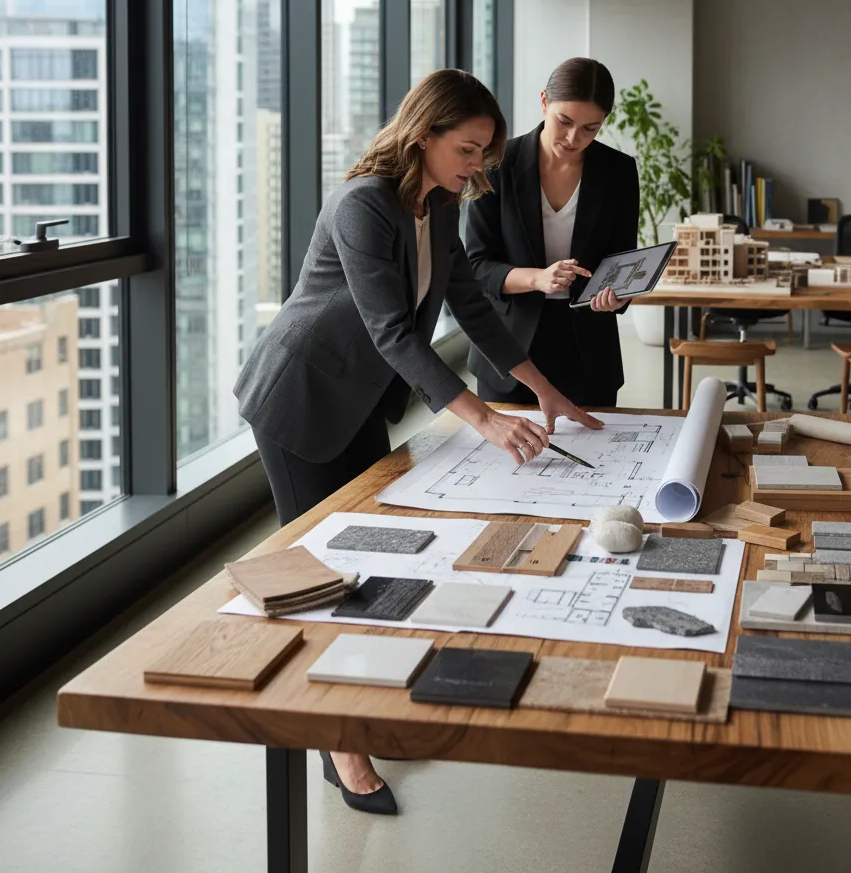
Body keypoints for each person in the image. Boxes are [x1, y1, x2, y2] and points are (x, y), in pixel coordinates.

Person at [233, 69, 601, 815]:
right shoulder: (364, 203)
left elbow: (473, 306)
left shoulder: (435, 204)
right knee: (317, 576)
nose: (476, 166)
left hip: (358, 396)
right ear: (423, 133)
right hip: (302, 393)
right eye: (466, 148)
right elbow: (392, 330)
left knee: (373, 551)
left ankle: (361, 704)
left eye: (484, 153)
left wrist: (541, 389)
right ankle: (342, 748)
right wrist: (485, 417)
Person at [465, 57, 640, 408]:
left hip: (588, 350)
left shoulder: (619, 172)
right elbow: (476, 266)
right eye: (565, 121)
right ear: (544, 102)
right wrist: (538, 279)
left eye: (591, 128)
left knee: (600, 458)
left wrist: (619, 295)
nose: (575, 138)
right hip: (510, 349)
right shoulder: (496, 164)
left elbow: (622, 259)